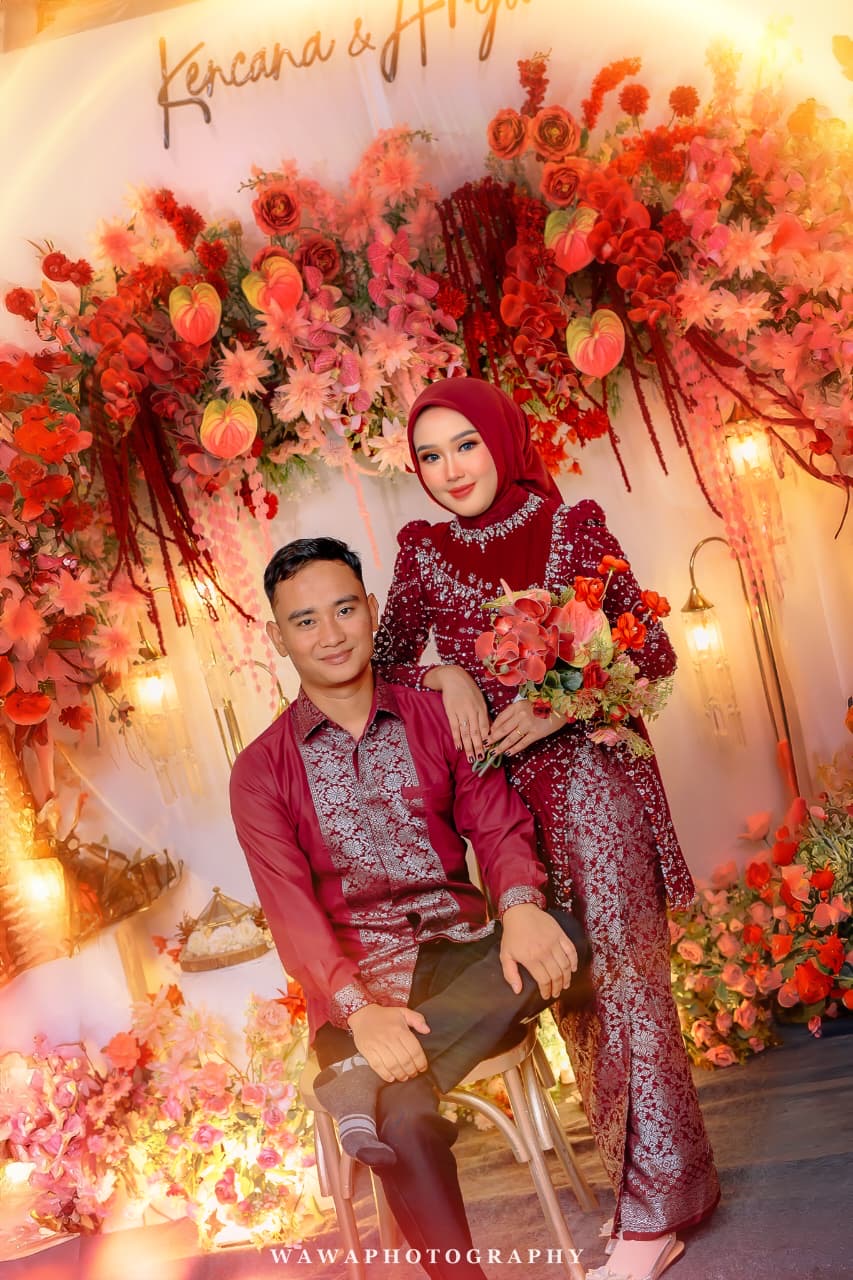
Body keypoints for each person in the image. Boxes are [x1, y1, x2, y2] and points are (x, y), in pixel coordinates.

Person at [372, 377, 720, 1280]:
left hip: (597, 785)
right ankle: (661, 1192)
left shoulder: (573, 528)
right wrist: (445, 676)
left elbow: (648, 650)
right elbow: (383, 669)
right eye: (430, 455)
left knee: (631, 989)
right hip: (508, 818)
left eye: (465, 445)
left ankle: (650, 1219)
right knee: (575, 995)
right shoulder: (422, 555)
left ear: (501, 441)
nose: (451, 469)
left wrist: (558, 701)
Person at [229, 536, 590, 1280]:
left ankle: (358, 1076)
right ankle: (373, 1077)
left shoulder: (436, 715)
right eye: (304, 621)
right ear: (276, 636)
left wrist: (520, 905)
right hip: (359, 993)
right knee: (406, 1118)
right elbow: (291, 912)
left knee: (571, 933)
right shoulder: (261, 770)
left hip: (466, 960)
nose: (330, 635)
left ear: (370, 610)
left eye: (344, 610)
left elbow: (495, 824)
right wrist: (359, 1011)